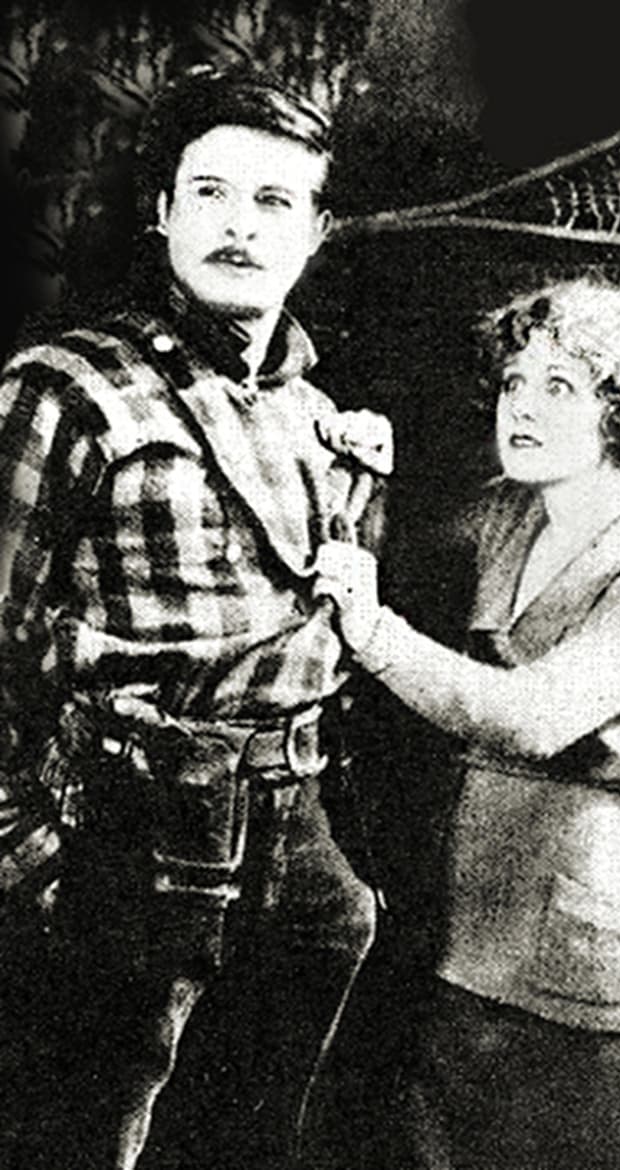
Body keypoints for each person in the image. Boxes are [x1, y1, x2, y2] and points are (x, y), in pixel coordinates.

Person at [0, 62, 391, 1170]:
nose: (239, 226)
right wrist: (29, 856)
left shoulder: (319, 415)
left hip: (299, 838)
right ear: (164, 211)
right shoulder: (68, 388)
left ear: (315, 233)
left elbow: (326, 623)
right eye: (211, 193)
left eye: (274, 201)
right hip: (125, 846)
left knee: (248, 1144)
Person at [311, 278, 620, 1170]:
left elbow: (533, 718)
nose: (522, 407)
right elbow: (389, 551)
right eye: (514, 382)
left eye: (559, 387)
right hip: (465, 930)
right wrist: (366, 473)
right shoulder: (514, 509)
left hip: (584, 959)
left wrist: (373, 633)